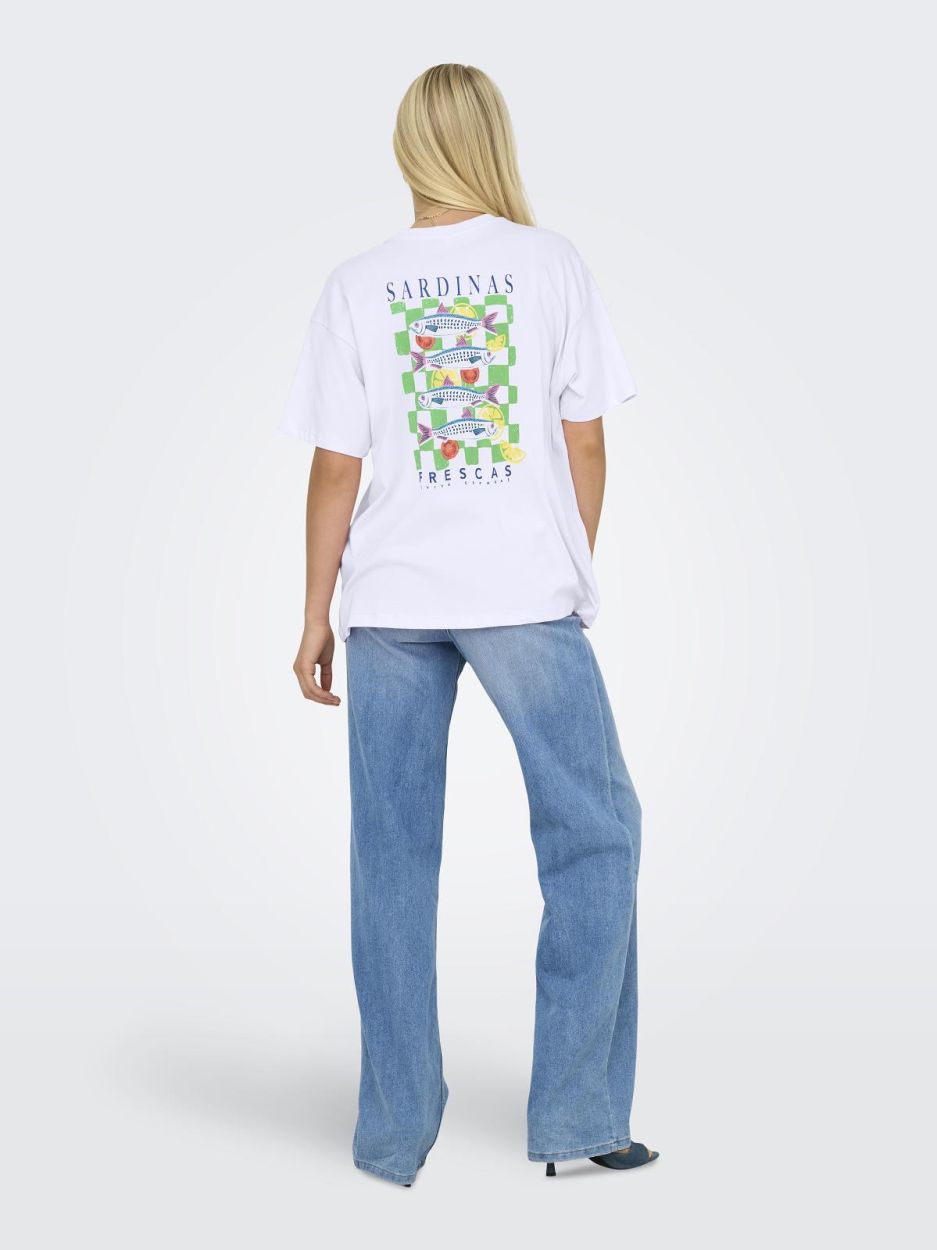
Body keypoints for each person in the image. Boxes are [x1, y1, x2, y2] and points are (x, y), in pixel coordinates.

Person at [278, 63, 658, 1187]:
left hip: (391, 602)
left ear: (408, 147)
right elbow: (584, 439)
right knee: (593, 834)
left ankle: (392, 1133)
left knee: (389, 859)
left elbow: (336, 465)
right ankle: (577, 1117)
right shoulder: (550, 264)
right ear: (491, 139)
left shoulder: (355, 284)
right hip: (519, 595)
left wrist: (315, 609)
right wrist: (570, 564)